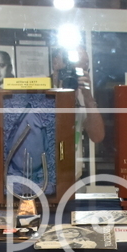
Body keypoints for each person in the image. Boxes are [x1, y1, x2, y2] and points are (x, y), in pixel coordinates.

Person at [50, 47, 104, 179]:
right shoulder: (40, 92)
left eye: (80, 72)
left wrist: (88, 96)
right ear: (55, 64)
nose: (72, 77)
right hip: (44, 178)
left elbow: (97, 136)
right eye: (69, 70)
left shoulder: (81, 101)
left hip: (73, 179)